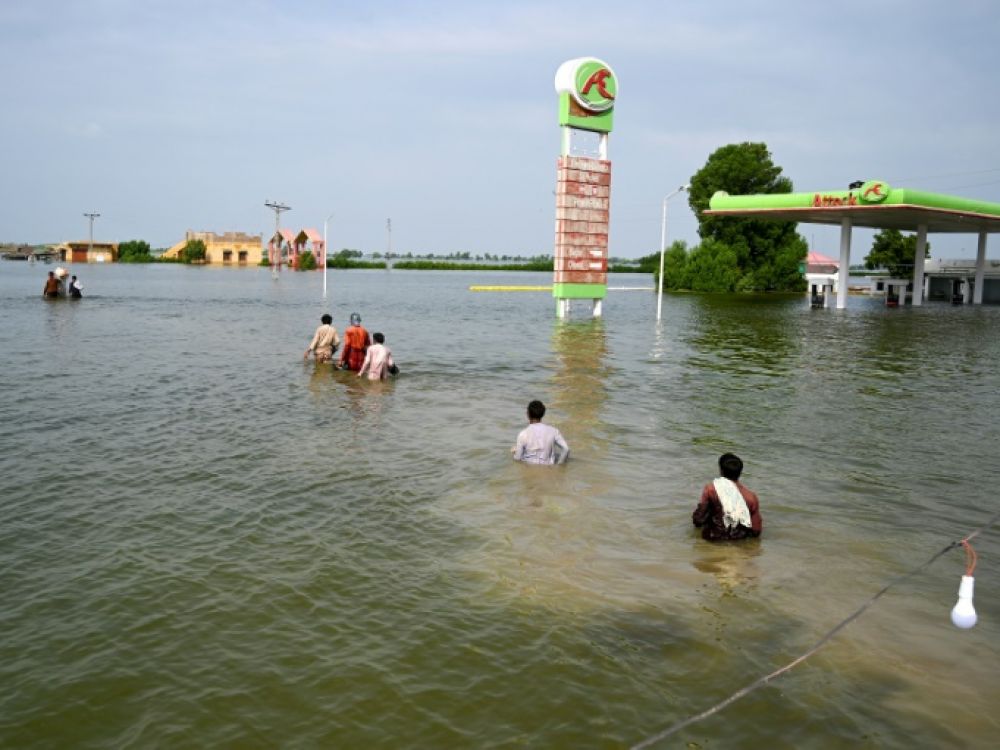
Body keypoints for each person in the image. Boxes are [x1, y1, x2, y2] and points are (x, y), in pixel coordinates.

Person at [692, 453, 762, 542]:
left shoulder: (711, 489)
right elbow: (756, 530)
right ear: (740, 473)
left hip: (713, 541)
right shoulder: (751, 497)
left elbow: (698, 519)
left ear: (721, 471)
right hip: (738, 543)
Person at [512, 400, 569, 465]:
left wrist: (514, 453)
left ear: (528, 414)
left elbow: (518, 459)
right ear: (543, 414)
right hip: (548, 468)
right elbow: (566, 449)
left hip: (529, 468)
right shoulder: (554, 431)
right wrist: (559, 465)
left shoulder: (523, 434)